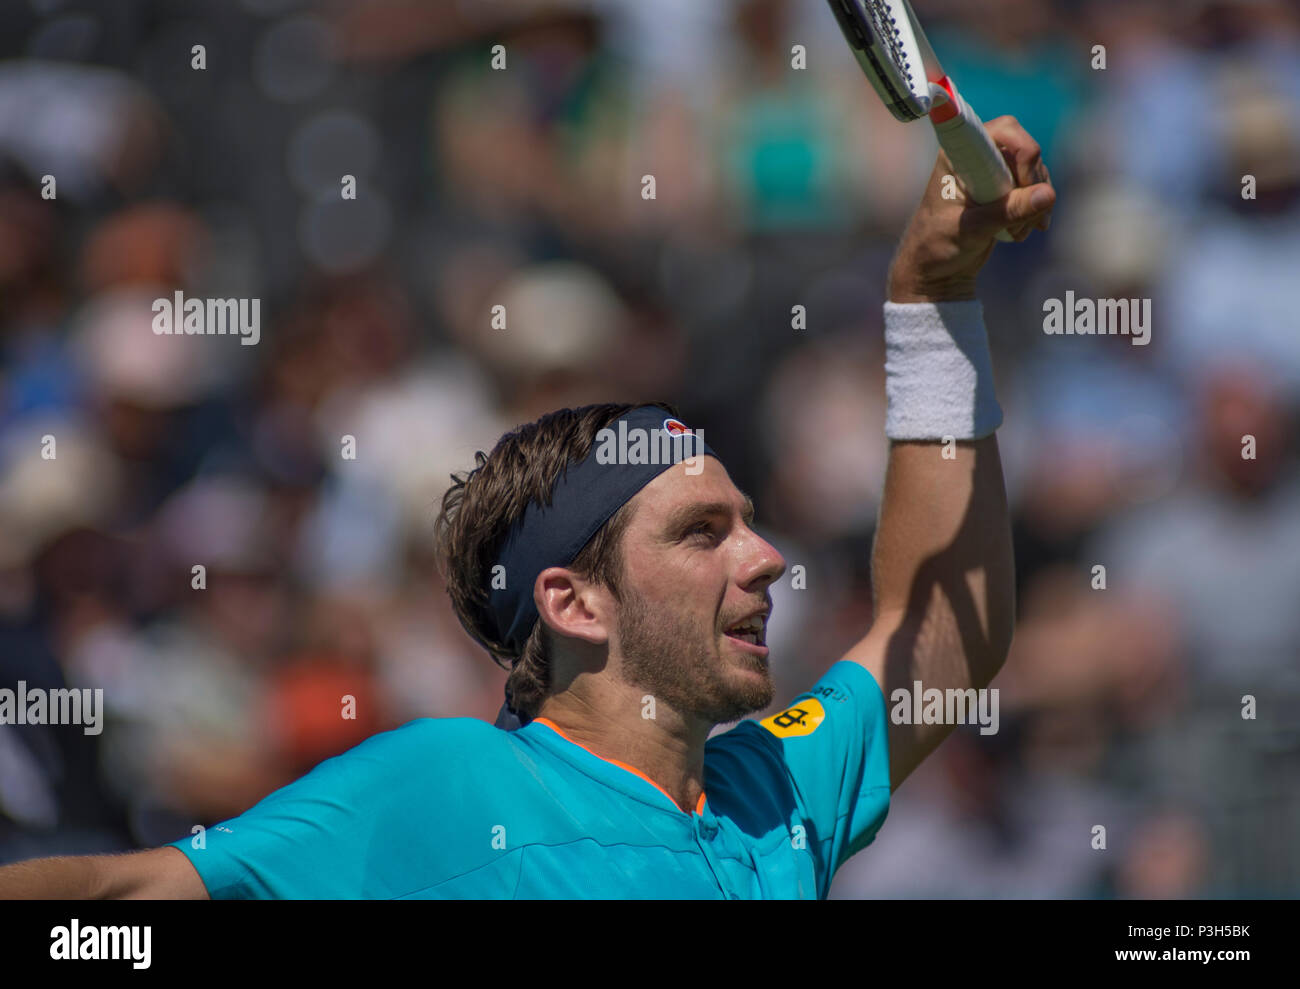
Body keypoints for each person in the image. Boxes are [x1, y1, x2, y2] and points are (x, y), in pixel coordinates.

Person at [0, 117, 1054, 899]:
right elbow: (122, 902)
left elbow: (946, 637)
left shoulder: (771, 782)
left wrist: (932, 298)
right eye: (703, 531)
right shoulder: (446, 779)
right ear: (575, 601)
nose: (770, 556)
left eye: (745, 516)